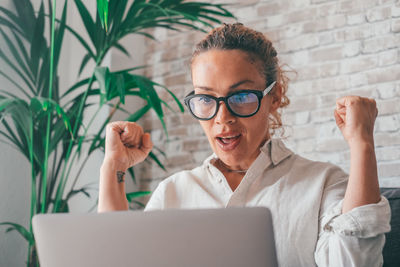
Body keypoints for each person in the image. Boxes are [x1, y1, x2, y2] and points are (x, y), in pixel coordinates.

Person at [98, 23, 391, 266]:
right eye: (205, 99)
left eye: (241, 98)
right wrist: (115, 167)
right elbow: (117, 259)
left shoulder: (322, 184)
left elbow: (355, 261)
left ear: (274, 97)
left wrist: (362, 144)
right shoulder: (174, 191)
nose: (222, 118)